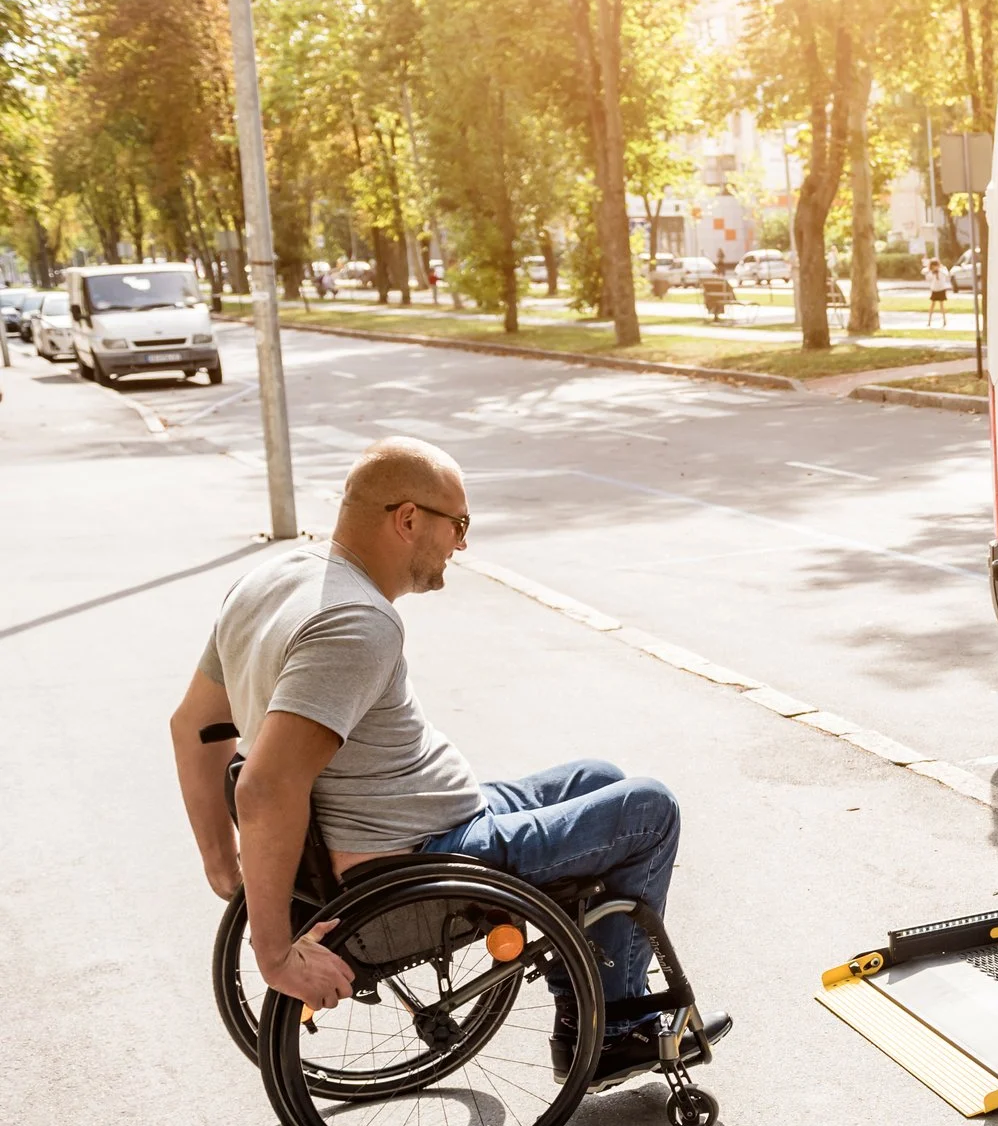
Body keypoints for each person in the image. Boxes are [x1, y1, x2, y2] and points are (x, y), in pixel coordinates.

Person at [169, 436, 728, 1081]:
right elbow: (265, 788)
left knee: (596, 778)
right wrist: (274, 956)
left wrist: (222, 863)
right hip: (421, 855)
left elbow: (193, 725)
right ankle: (616, 1033)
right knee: (648, 808)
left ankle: (596, 1005)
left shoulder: (273, 578)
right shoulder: (356, 623)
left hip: (413, 822)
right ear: (407, 519)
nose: (461, 545)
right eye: (458, 525)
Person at [925, 254, 950, 327]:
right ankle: (929, 321)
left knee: (942, 306)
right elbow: (927, 277)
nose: (935, 267)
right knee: (932, 306)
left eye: (936, 265)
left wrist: (939, 269)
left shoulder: (942, 270)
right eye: (933, 266)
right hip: (934, 290)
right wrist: (931, 271)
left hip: (942, 289)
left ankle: (944, 321)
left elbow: (947, 274)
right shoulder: (931, 272)